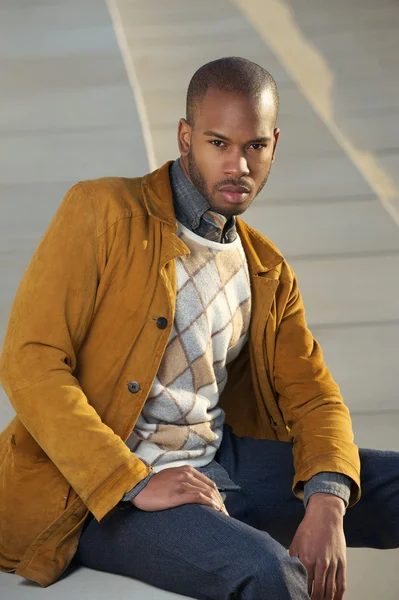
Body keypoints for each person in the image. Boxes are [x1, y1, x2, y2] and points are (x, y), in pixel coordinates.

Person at [0, 56, 398, 600]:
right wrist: (133, 480)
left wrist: (328, 499)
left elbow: (313, 395)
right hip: (101, 494)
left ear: (274, 145)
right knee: (270, 573)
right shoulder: (102, 212)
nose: (238, 164)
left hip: (216, 464)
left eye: (254, 146)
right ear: (186, 137)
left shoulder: (265, 268)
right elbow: (30, 360)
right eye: (219, 144)